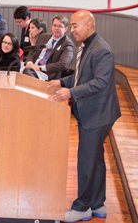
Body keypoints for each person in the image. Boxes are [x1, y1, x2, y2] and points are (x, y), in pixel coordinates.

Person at [49, 11, 121, 223]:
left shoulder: (102, 51)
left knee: (86, 160)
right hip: (93, 111)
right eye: (70, 26)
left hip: (98, 114)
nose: (71, 30)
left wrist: (71, 92)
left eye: (74, 26)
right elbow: (82, 76)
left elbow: (100, 82)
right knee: (95, 159)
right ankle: (97, 204)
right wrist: (62, 83)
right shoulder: (88, 45)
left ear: (89, 25)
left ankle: (82, 208)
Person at [24, 15, 73, 81]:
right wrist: (29, 63)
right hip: (32, 69)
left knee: (27, 72)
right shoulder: (43, 37)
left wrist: (40, 68)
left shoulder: (67, 43)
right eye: (54, 25)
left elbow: (63, 64)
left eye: (60, 26)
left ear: (65, 29)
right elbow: (33, 52)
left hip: (47, 74)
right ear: (51, 26)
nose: (56, 28)